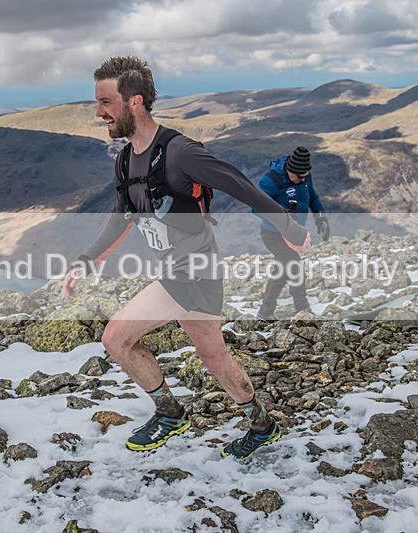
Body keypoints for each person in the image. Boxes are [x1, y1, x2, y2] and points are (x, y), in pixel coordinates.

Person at [61, 56, 311, 460]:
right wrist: (86, 260)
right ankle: (263, 423)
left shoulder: (179, 153)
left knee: (115, 339)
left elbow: (239, 184)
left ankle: (170, 412)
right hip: (189, 271)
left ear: (135, 102)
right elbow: (120, 216)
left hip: (192, 272)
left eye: (106, 102)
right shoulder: (126, 159)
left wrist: (289, 227)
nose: (99, 112)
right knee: (214, 357)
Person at [255, 146, 329, 320]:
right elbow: (256, 208)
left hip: (293, 235)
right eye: (298, 177)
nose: (301, 180)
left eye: (305, 177)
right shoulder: (271, 181)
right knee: (294, 265)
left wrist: (320, 218)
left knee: (282, 270)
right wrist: (282, 215)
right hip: (272, 234)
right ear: (289, 169)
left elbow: (312, 196)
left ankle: (265, 313)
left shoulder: (304, 176)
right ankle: (302, 309)